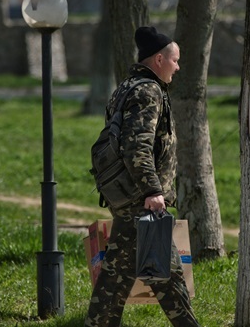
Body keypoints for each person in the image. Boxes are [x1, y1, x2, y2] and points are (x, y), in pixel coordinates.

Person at [84, 26, 200, 327]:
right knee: (167, 276)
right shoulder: (148, 92)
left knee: (118, 279)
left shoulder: (127, 86)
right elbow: (136, 145)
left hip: (128, 196)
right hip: (141, 200)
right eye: (175, 60)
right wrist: (152, 190)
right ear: (159, 59)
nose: (178, 66)